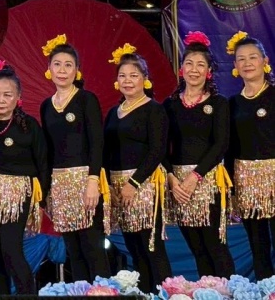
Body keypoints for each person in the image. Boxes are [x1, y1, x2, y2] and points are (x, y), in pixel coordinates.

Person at [38, 35, 109, 283]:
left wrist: (93, 181)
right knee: (74, 251)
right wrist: (47, 191)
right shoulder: (46, 106)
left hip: (85, 182)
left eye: (68, 65)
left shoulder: (86, 99)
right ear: (49, 68)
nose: (62, 70)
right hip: (60, 186)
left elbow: (97, 143)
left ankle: (103, 293)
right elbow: (48, 151)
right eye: (57, 64)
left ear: (77, 70)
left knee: (93, 248)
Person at [164, 31, 234, 278]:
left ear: (209, 71)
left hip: (207, 181)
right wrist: (173, 180)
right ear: (181, 69)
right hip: (179, 186)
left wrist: (195, 177)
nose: (194, 70)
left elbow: (221, 144)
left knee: (216, 246)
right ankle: (208, 291)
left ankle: (230, 292)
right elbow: (161, 147)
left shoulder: (218, 103)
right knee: (197, 249)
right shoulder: (170, 105)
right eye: (189, 63)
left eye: (200, 65)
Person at [103, 44, 171, 293]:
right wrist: (109, 186)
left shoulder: (154, 110)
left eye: (133, 75)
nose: (128, 80)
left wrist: (134, 183)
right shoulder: (114, 112)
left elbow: (158, 151)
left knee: (151, 246)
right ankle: (144, 294)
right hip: (118, 187)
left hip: (144, 185)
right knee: (134, 248)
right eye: (123, 76)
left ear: (145, 78)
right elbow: (106, 151)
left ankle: (164, 295)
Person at [0, 61, 48, 295]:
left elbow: (43, 163)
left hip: (16, 194)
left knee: (11, 251)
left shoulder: (28, 126)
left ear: (18, 97)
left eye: (7, 95)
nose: (1, 100)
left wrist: (42, 200)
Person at [227, 31, 275, 279]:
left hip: (274, 178)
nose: (247, 63)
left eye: (252, 57)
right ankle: (266, 290)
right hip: (245, 180)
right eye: (241, 59)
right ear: (235, 66)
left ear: (265, 61)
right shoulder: (231, 104)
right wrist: (232, 188)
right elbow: (229, 148)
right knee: (258, 244)